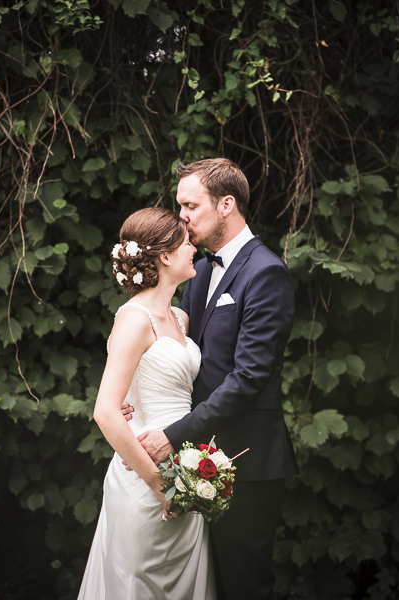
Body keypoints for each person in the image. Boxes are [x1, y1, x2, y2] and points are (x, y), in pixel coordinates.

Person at [137, 159, 298, 600]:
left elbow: (247, 379)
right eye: (180, 205)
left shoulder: (266, 273)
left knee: (242, 585)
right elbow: (176, 349)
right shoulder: (201, 269)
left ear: (227, 204)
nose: (182, 216)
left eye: (190, 204)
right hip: (195, 459)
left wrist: (173, 434)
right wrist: (138, 397)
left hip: (246, 460)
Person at [77, 207, 216, 600]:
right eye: (186, 242)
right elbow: (106, 410)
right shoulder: (133, 319)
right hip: (144, 476)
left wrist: (182, 482)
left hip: (188, 468)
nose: (194, 248)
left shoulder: (180, 318)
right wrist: (160, 486)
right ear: (166, 256)